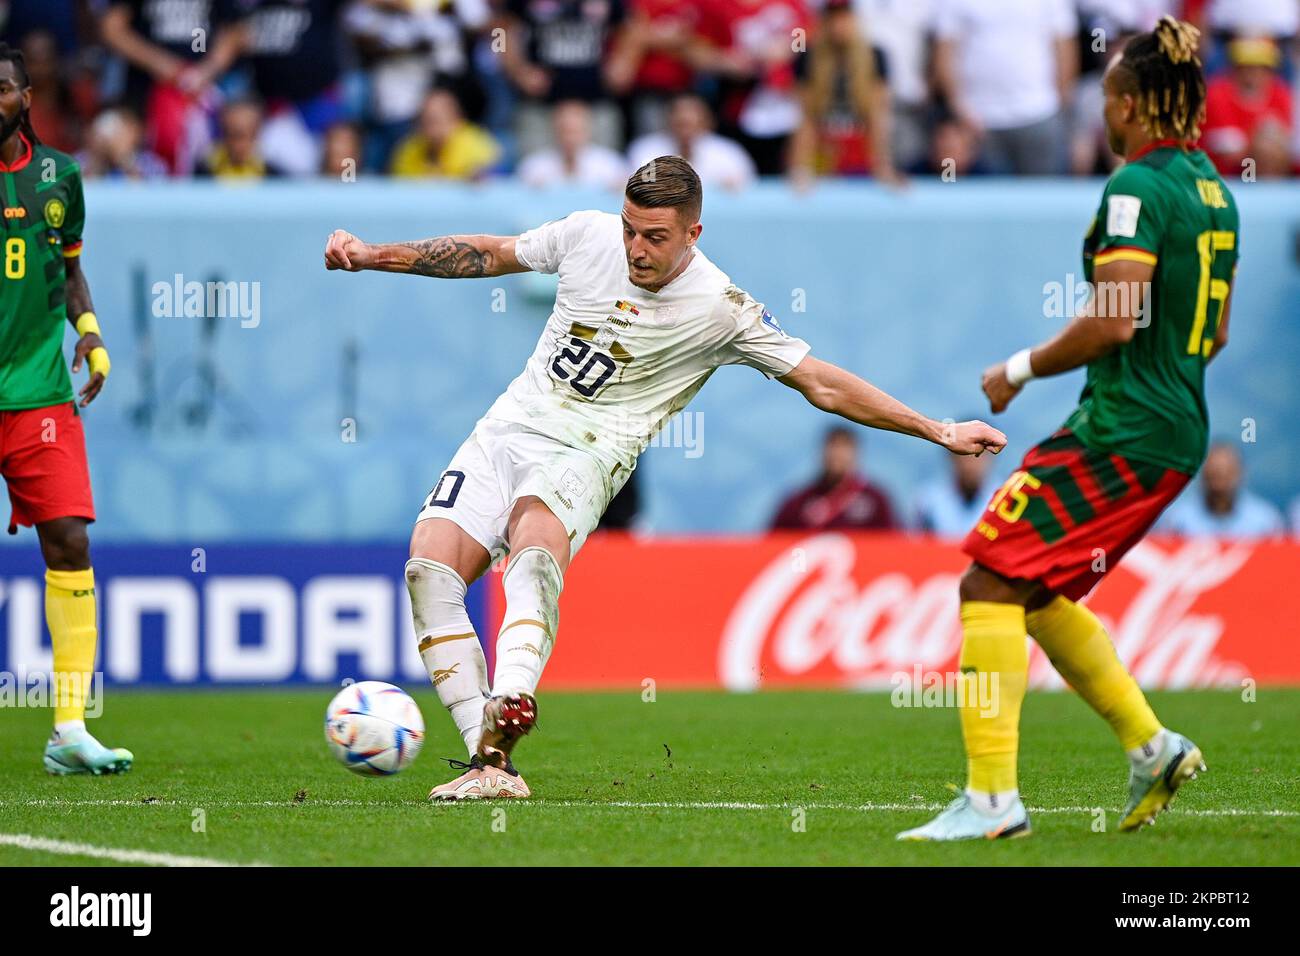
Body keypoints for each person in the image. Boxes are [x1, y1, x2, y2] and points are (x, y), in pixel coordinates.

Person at [323, 155, 1006, 800]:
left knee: (533, 549)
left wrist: (938, 431)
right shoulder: (586, 237)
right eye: (629, 230)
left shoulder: (720, 307)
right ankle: (489, 759)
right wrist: (372, 255)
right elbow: (488, 254)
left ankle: (504, 726)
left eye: (654, 236)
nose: (635, 249)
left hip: (588, 454)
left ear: (693, 233)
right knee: (427, 571)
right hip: (505, 431)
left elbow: (823, 384)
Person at [899, 17, 1235, 842]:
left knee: (985, 582)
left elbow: (1116, 320)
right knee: (1037, 589)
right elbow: (1213, 333)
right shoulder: (1214, 191)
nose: (1102, 115)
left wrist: (1017, 370)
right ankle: (1152, 747)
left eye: (1109, 99)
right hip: (1177, 423)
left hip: (1125, 425)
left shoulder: (1136, 190)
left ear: (1128, 105)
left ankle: (990, 804)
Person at [0, 44, 130, 775]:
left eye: (3, 90)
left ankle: (69, 730)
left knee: (70, 544)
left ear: (25, 96)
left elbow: (69, 267)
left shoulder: (59, 178)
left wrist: (91, 336)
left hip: (41, 393)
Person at [771, 426, 898, 531]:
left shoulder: (875, 500)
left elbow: (893, 543)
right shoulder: (799, 500)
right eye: (833, 446)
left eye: (844, 447)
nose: (837, 454)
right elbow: (773, 542)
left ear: (855, 454)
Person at [626, 93, 756, 190]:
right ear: (668, 121)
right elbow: (636, 188)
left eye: (692, 124)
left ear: (706, 123)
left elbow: (748, 189)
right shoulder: (645, 149)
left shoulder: (728, 152)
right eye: (681, 124)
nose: (686, 132)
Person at [1160, 442, 1285, 537]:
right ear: (1203, 475)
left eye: (1227, 474)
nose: (1220, 484)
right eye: (1214, 475)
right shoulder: (1179, 520)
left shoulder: (1264, 520)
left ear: (1241, 474)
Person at [388, 87, 499, 179]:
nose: (431, 130)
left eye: (436, 121)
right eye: (424, 121)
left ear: (456, 120)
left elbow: (488, 176)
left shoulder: (476, 143)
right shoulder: (408, 149)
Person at [517, 100, 627, 189]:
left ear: (588, 131)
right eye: (564, 131)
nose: (570, 139)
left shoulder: (611, 164)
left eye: (575, 131)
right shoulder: (534, 166)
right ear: (554, 131)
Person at [913, 446, 998, 536]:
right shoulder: (928, 501)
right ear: (951, 457)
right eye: (964, 455)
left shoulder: (1003, 499)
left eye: (977, 455)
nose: (970, 464)